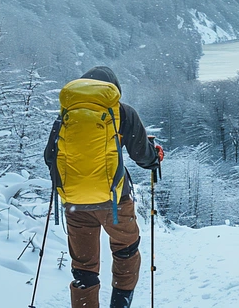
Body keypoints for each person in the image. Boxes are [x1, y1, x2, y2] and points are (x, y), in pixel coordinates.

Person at [44, 66, 163, 308]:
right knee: (126, 249)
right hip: (115, 201)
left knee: (84, 267)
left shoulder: (66, 115)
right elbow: (142, 155)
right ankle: (120, 303)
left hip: (76, 203)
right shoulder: (122, 112)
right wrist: (155, 159)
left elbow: (50, 156)